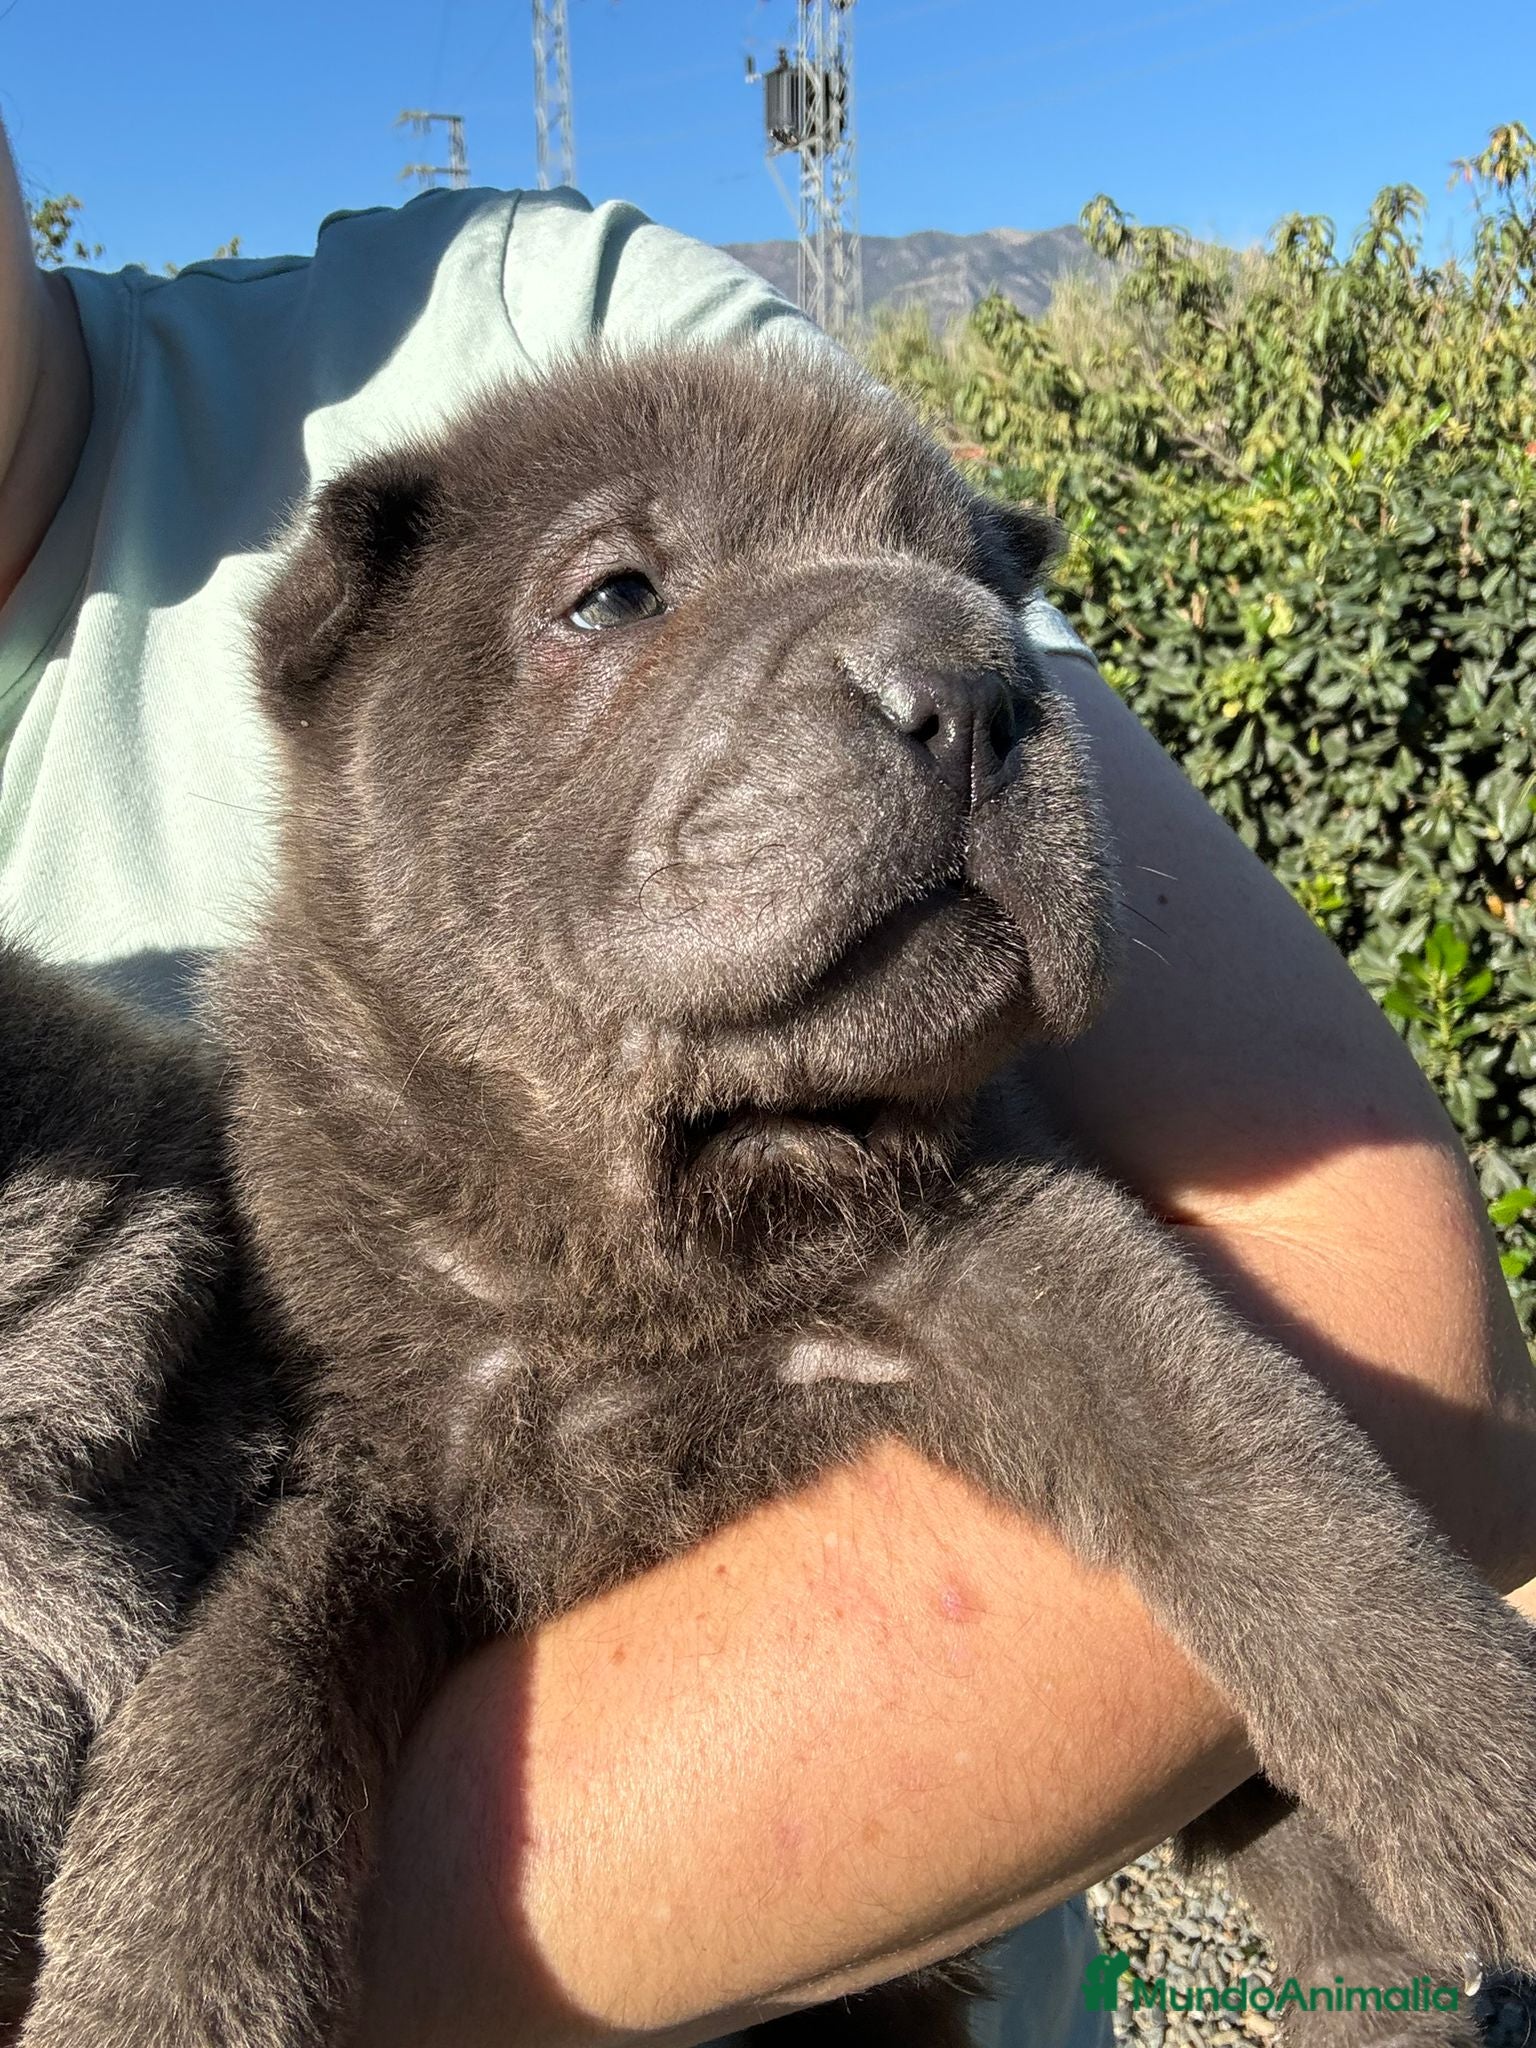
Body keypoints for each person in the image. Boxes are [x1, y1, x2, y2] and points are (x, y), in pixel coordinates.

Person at [2, 116, 1535, 2048]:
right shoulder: (331, 1145)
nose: (948, 665)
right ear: (336, 648)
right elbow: (345, 1548)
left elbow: (1382, 1357)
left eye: (970, 584)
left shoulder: (510, 317)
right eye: (622, 599)